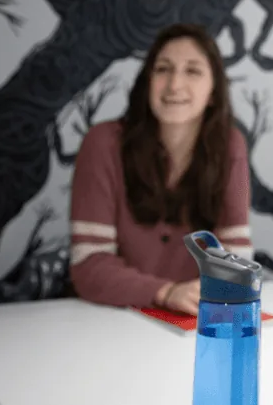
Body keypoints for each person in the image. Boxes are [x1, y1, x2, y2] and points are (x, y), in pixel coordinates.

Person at [69, 23, 253, 316]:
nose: (174, 85)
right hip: (110, 318)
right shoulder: (102, 143)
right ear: (147, 83)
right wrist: (165, 292)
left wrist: (213, 297)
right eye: (163, 69)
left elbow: (235, 255)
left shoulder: (231, 145)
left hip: (193, 321)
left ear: (214, 93)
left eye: (192, 71)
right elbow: (89, 264)